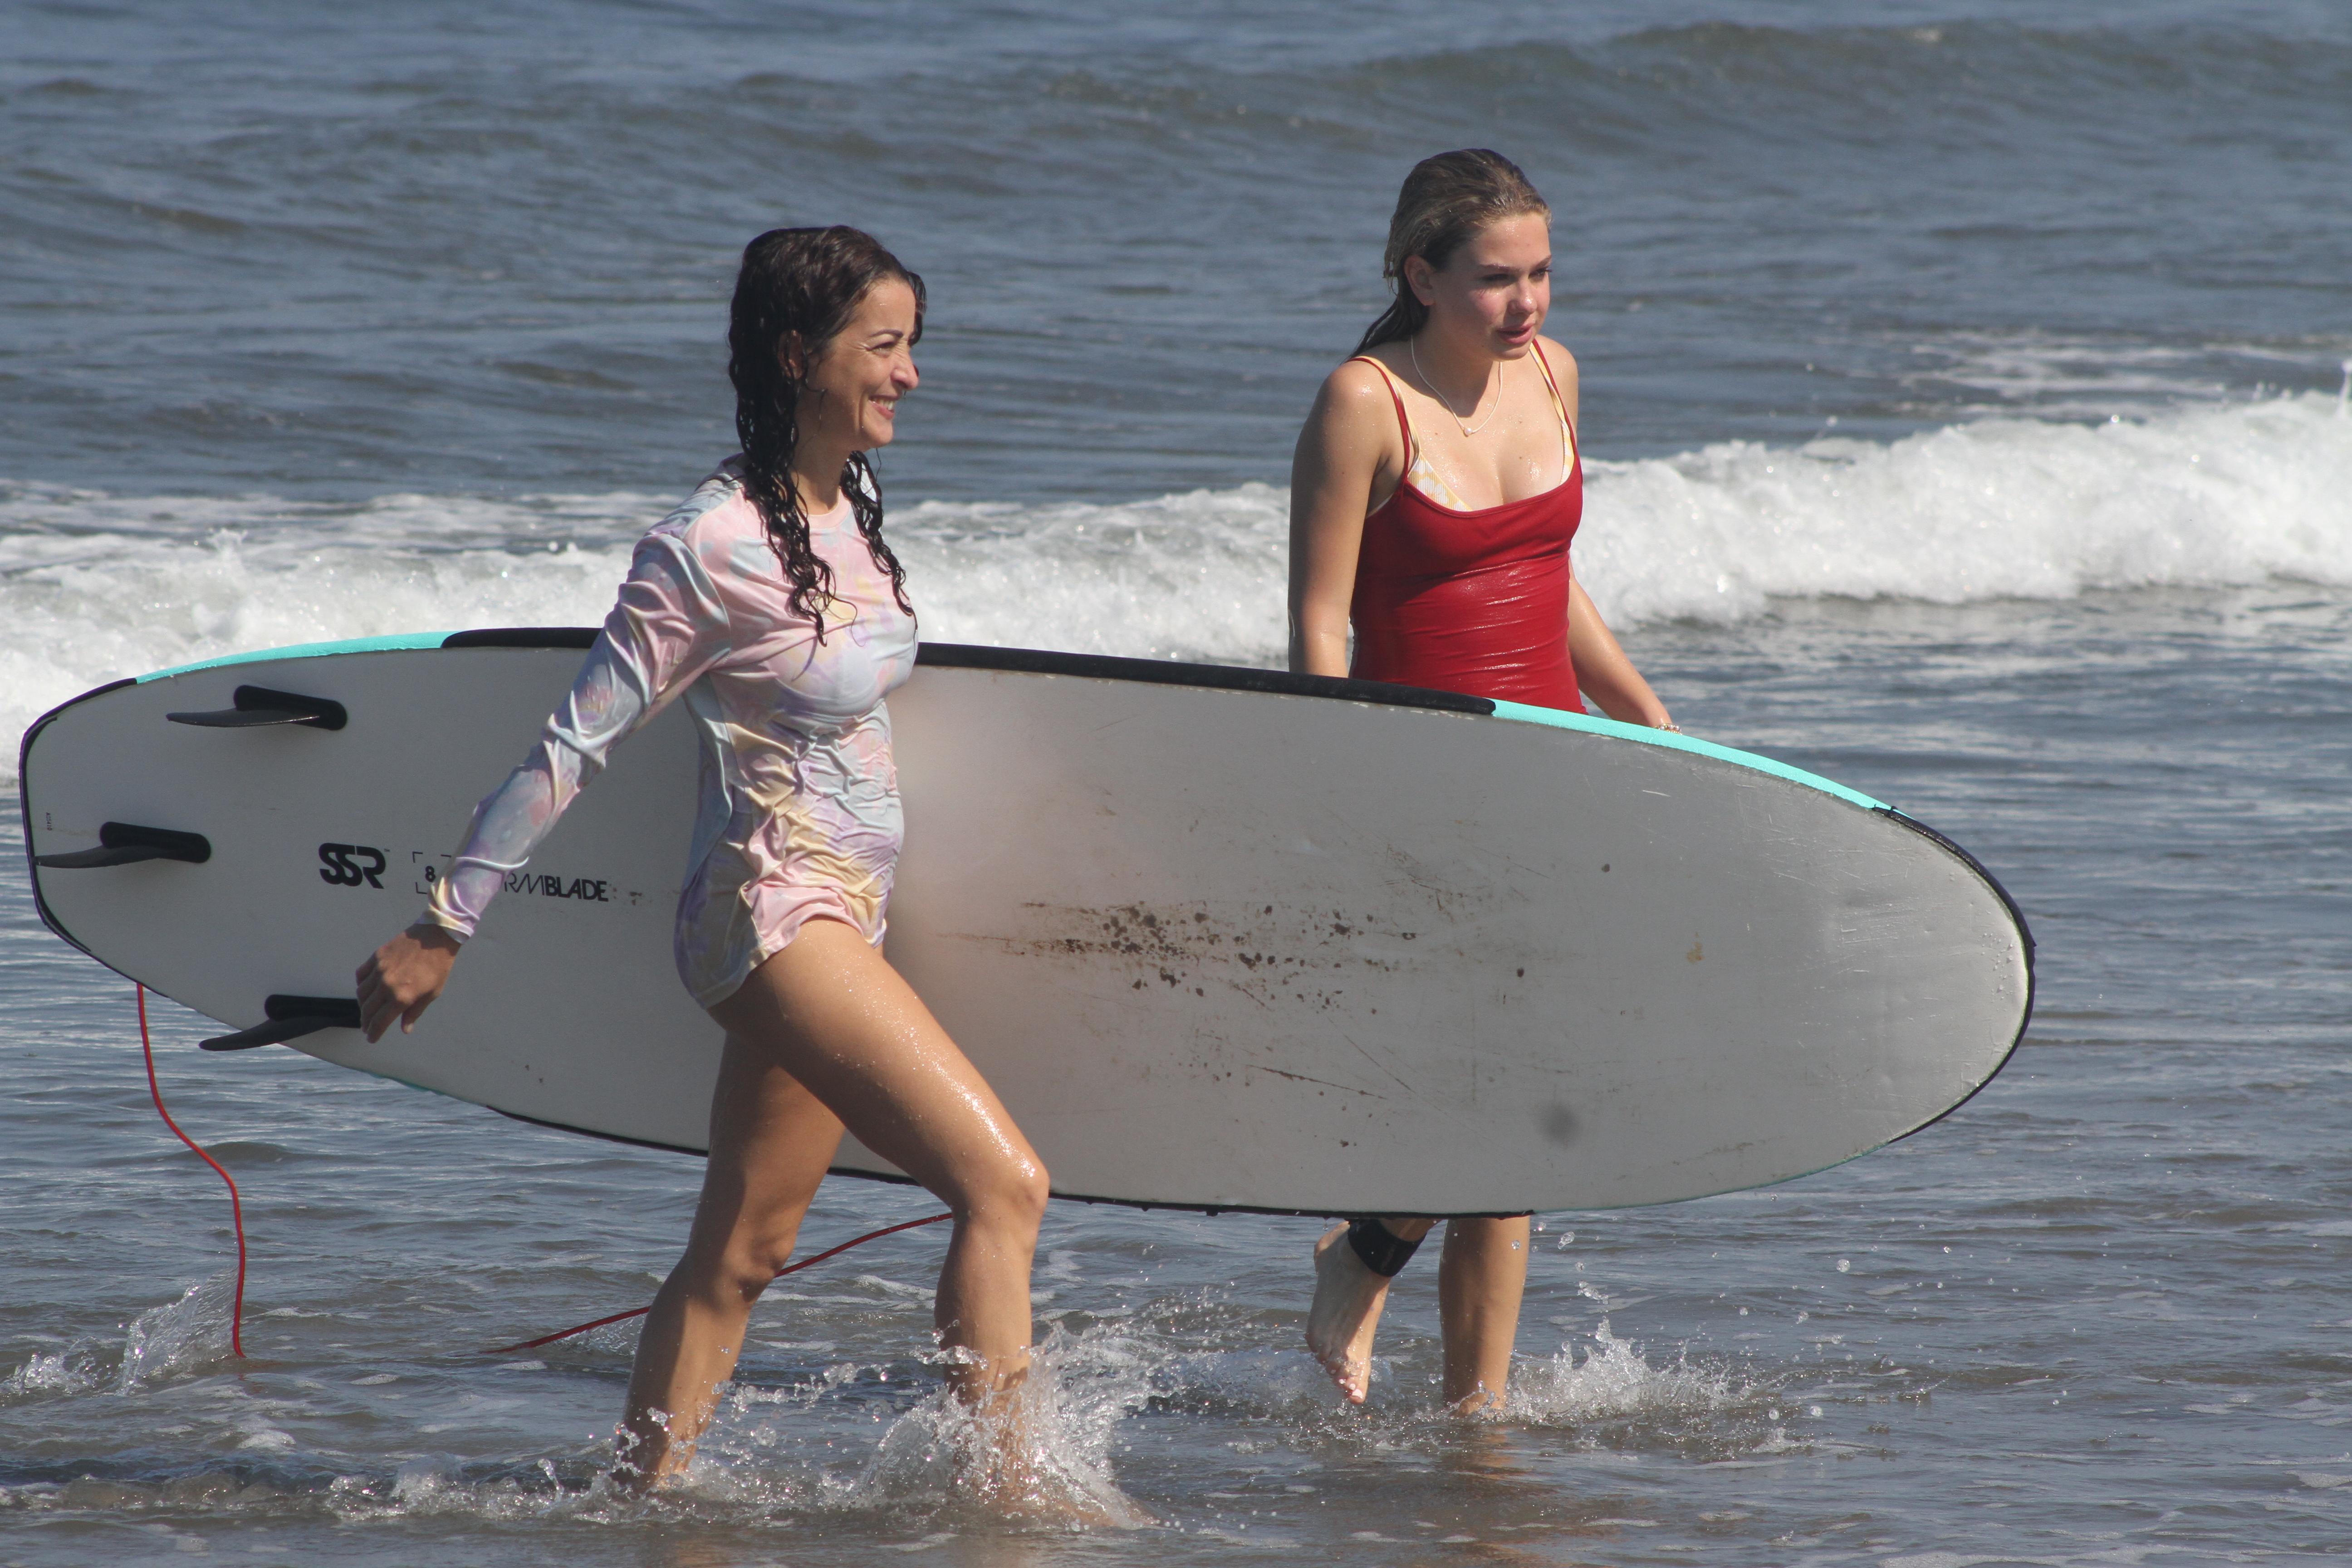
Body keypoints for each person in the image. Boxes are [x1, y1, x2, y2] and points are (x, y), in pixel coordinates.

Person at [355, 226, 1052, 1487]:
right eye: (883, 347)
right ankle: (1008, 1505)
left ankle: (641, 1499)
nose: (910, 374)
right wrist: (443, 923)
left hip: (847, 910)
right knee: (1004, 1187)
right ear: (798, 355)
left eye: (912, 346)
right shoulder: (707, 544)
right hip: (775, 911)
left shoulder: (846, 509)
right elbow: (575, 744)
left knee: (742, 1255)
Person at [1286, 150, 1677, 1414]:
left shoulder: (1555, 376)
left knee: (1528, 1076)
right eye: (1498, 279)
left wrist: (1640, 708)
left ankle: (1476, 1409)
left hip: (1553, 763)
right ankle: (1368, 1258)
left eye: (1543, 273)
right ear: (1421, 275)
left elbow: (1544, 574)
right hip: (1426, 772)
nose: (1528, 303)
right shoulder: (1364, 403)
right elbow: (1321, 620)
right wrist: (1333, 774)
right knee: (1494, 1071)